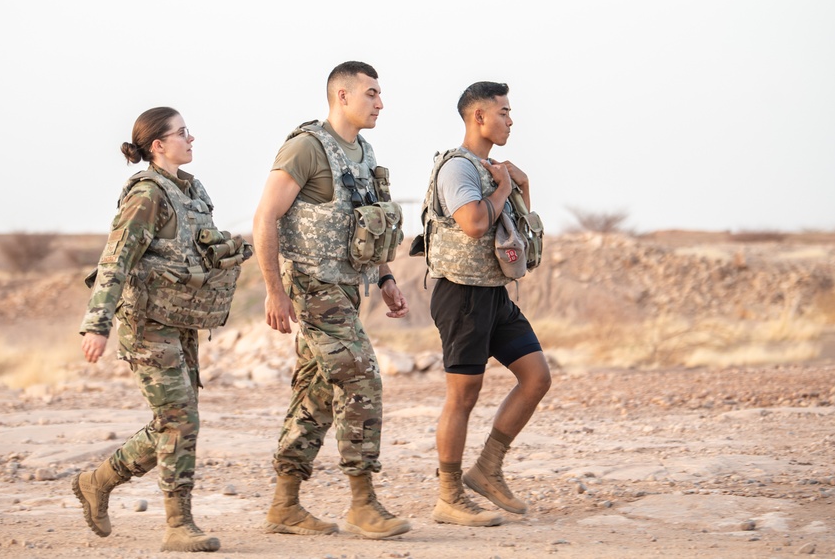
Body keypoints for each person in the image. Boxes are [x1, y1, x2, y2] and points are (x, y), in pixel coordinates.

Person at [73, 106, 251, 553]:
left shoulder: (191, 191)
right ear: (158, 145)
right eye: (182, 133)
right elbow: (116, 258)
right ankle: (178, 525)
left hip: (181, 321)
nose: (191, 139)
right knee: (179, 421)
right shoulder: (147, 194)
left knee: (176, 422)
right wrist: (97, 325)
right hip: (147, 323)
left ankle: (98, 481)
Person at [252, 61, 412, 540]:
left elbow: (368, 222)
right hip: (313, 287)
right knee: (361, 374)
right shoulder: (306, 148)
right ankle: (362, 502)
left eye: (380, 94)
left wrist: (385, 278)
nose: (380, 103)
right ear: (341, 96)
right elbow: (265, 218)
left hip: (347, 287)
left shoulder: (363, 152)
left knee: (316, 393)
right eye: (371, 94)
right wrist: (275, 292)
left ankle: (284, 505)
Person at [421, 81, 551, 527]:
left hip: (493, 292)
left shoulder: (493, 168)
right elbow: (475, 223)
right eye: (504, 112)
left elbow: (521, 236)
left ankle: (487, 469)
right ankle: (448, 496)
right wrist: (499, 188)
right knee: (463, 396)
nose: (511, 120)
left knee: (536, 376)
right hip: (460, 294)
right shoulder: (458, 170)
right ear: (479, 117)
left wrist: (521, 185)